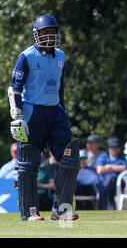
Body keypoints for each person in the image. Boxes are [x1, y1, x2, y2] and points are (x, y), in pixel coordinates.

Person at [8, 14, 80, 221]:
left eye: (52, 32)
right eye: (44, 33)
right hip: (33, 112)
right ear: (36, 35)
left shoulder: (61, 56)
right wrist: (17, 114)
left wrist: (63, 110)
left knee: (71, 157)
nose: (49, 36)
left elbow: (61, 87)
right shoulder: (27, 56)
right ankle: (30, 212)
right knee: (29, 164)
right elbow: (15, 87)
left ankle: (62, 209)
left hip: (55, 112)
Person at [96, 137, 127, 210]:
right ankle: (110, 207)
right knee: (108, 182)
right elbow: (99, 170)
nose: (115, 149)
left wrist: (109, 167)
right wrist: (116, 168)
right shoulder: (103, 157)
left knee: (111, 179)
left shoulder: (122, 158)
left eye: (117, 147)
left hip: (119, 183)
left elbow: (124, 168)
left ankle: (107, 207)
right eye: (112, 147)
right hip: (104, 183)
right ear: (108, 148)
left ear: (120, 148)